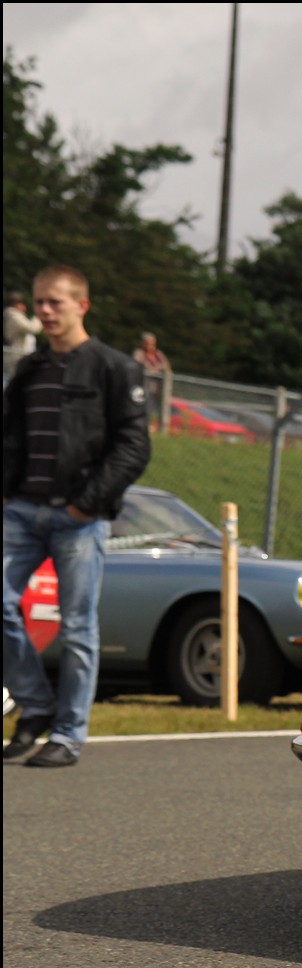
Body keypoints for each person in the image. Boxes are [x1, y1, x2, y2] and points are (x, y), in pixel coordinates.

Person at [3, 265, 151, 768]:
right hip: (21, 511)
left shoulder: (114, 369)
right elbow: (9, 438)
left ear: (81, 306)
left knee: (77, 627)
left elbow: (133, 447)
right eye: (39, 302)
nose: (44, 311)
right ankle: (36, 707)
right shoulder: (29, 370)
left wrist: (85, 502)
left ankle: (68, 734)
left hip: (80, 518)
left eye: (55, 303)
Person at [132, 332, 171, 430]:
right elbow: (138, 364)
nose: (150, 346)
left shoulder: (158, 354)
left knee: (156, 409)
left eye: (152, 343)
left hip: (157, 389)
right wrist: (152, 369)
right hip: (144, 387)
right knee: (144, 408)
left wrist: (156, 367)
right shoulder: (139, 353)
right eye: (148, 343)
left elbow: (166, 365)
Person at [3, 291, 43, 384]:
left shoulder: (15, 315)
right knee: (16, 383)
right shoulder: (13, 315)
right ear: (17, 304)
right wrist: (38, 317)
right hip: (15, 356)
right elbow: (32, 328)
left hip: (18, 354)